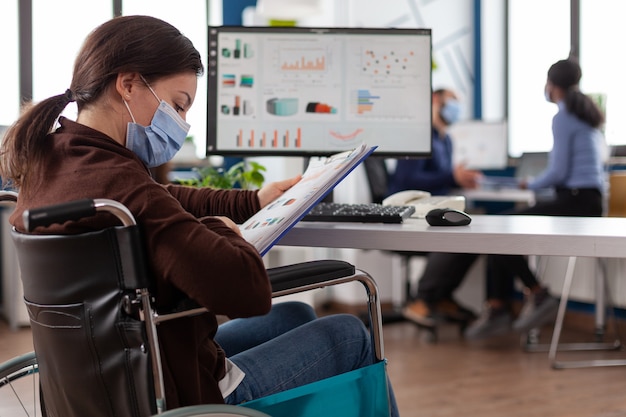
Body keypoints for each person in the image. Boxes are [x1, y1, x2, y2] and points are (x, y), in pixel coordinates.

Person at [0, 15, 398, 415]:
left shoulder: (54, 161)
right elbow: (245, 291)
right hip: (181, 394)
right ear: (128, 84)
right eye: (177, 104)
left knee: (294, 313)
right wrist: (222, 230)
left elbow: (160, 199)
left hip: (113, 381)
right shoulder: (119, 184)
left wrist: (253, 201)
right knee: (348, 334)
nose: (182, 123)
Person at [464, 57, 606, 339]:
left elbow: (559, 172)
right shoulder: (586, 114)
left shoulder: (564, 116)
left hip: (576, 201)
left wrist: (532, 183)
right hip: (588, 199)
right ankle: (500, 305)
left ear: (552, 86)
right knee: (499, 229)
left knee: (496, 228)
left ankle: (533, 295)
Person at [387, 88, 482, 327]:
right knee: (453, 236)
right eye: (453, 101)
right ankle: (421, 299)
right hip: (411, 211)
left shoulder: (446, 140)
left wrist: (458, 179)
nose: (456, 108)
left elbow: (444, 179)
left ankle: (441, 296)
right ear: (436, 100)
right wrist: (452, 177)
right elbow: (408, 181)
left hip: (433, 209)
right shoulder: (418, 137)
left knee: (475, 232)